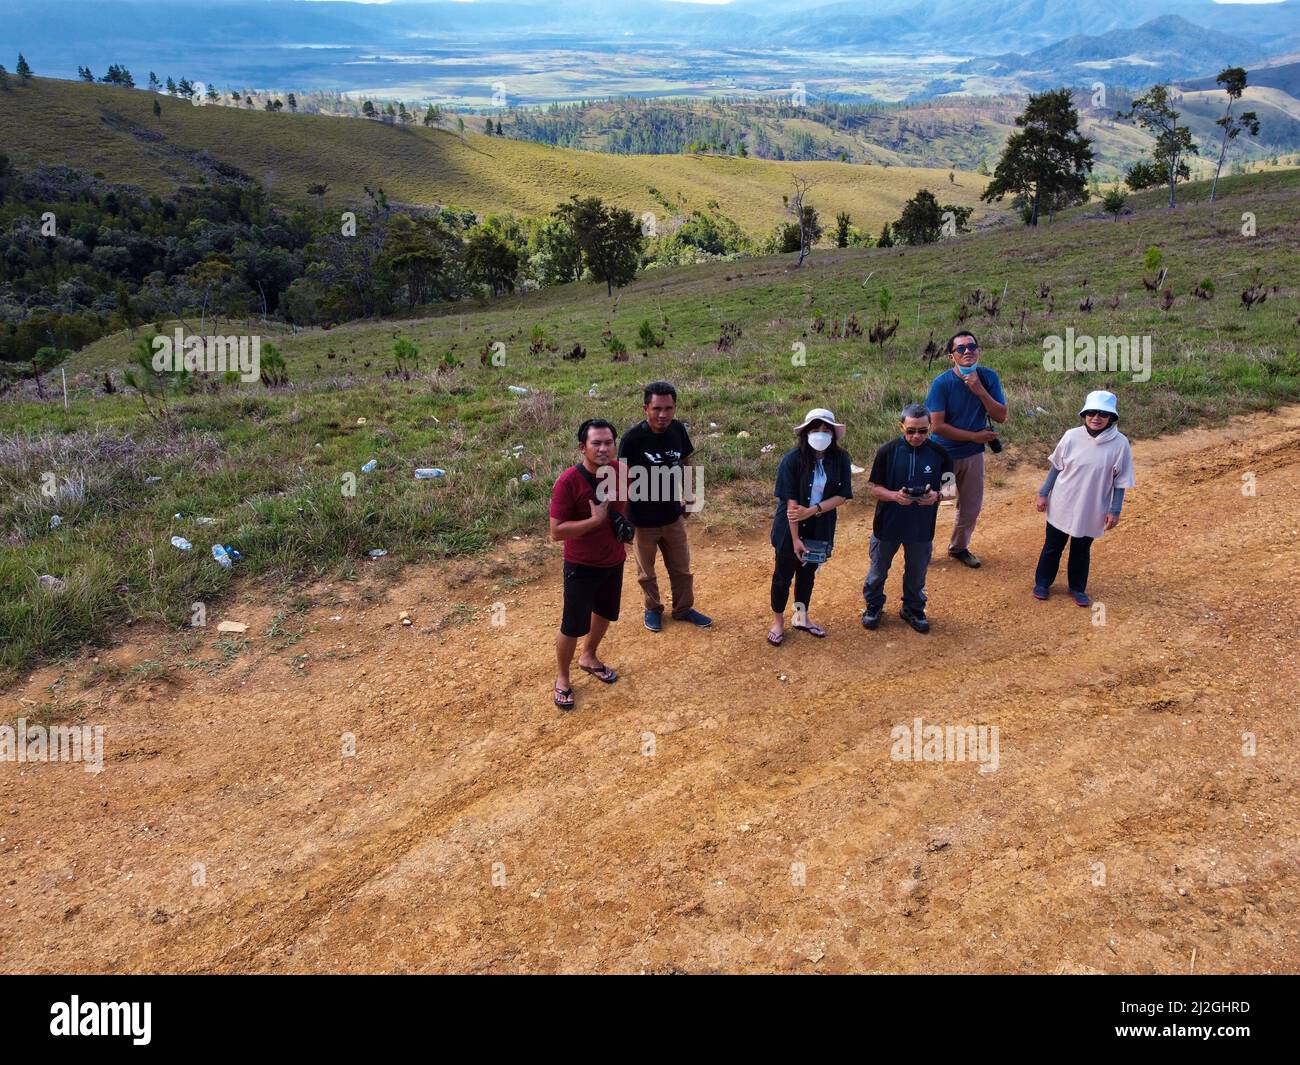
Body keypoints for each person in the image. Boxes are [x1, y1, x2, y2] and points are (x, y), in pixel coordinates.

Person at [548, 418, 631, 711]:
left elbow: (628, 504)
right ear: (583, 447)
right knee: (572, 626)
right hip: (580, 565)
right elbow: (556, 531)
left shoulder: (622, 472)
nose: (603, 448)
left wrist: (625, 524)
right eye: (596, 443)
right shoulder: (568, 482)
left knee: (606, 613)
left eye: (609, 442)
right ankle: (562, 678)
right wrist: (594, 521)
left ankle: (589, 656)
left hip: (614, 559)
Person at [618, 381, 712, 633]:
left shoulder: (678, 430)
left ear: (674, 408)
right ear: (645, 408)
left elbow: (686, 461)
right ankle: (652, 609)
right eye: (657, 408)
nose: (663, 414)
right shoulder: (631, 439)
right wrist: (621, 518)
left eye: (668, 408)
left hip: (673, 516)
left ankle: (683, 609)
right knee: (646, 573)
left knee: (682, 569)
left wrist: (692, 496)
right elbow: (620, 478)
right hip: (642, 521)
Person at [1033, 390, 1135, 607]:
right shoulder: (1071, 436)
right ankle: (1042, 583)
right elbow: (1056, 467)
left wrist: (1115, 510)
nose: (1096, 418)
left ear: (1111, 418)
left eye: (1102, 414)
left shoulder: (1120, 444)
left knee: (1081, 549)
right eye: (1091, 413)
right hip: (1063, 501)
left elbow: (1120, 481)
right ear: (1084, 414)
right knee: (1053, 546)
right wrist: (1043, 493)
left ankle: (1077, 587)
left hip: (1093, 506)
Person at [862, 404, 955, 634]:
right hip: (888, 525)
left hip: (921, 527)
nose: (916, 436)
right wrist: (894, 496)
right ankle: (873, 606)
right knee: (878, 570)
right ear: (901, 426)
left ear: (930, 428)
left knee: (917, 573)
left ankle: (913, 608)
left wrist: (937, 496)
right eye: (911, 431)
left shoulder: (940, 454)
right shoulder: (887, 451)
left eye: (923, 431)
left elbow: (952, 490)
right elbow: (875, 489)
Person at [767, 408, 853, 645]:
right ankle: (778, 621)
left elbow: (843, 495)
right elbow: (791, 503)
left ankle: (801, 617)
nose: (821, 434)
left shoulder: (841, 459)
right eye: (816, 429)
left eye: (826, 430)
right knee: (782, 576)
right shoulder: (792, 460)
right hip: (789, 530)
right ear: (805, 433)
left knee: (807, 576)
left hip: (820, 527)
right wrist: (795, 540)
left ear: (833, 434)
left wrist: (813, 510)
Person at [925, 330, 1008, 568]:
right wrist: (975, 436)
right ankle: (922, 549)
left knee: (970, 507)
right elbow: (937, 427)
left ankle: (959, 547)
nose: (967, 351)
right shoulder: (942, 384)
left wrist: (980, 390)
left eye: (971, 346)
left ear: (978, 351)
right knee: (934, 502)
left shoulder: (989, 377)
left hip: (972, 456)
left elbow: (1001, 416)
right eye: (960, 349)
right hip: (944, 456)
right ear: (952, 357)